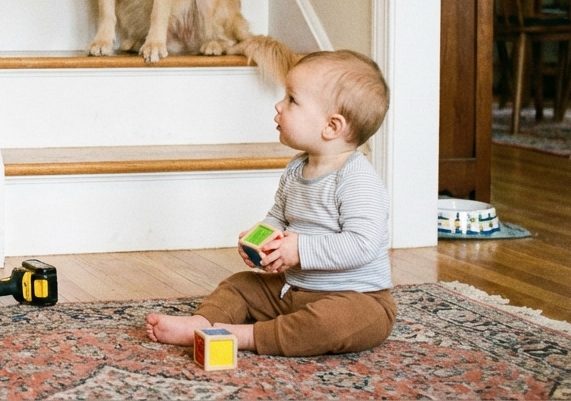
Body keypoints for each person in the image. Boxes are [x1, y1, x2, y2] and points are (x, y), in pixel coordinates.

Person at [145, 50, 395, 357]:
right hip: (293, 290)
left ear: (331, 126)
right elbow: (279, 215)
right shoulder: (296, 168)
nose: (279, 105)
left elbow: (363, 244)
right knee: (241, 285)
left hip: (357, 297)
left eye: (292, 99)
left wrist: (299, 249)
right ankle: (202, 322)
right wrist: (262, 240)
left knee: (334, 323)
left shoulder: (357, 180)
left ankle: (245, 336)